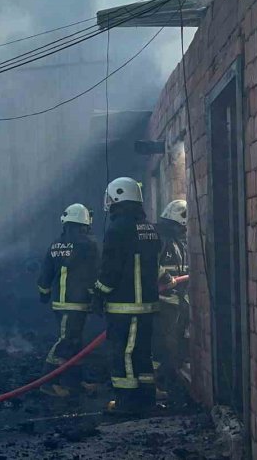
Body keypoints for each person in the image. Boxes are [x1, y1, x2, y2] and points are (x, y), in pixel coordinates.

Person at [93, 177, 162, 414]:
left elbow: (110, 269)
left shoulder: (118, 228)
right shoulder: (149, 228)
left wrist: (99, 293)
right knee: (142, 353)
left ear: (119, 196)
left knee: (124, 354)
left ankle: (127, 402)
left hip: (125, 305)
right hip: (147, 305)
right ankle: (146, 398)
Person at [36, 203, 100, 397]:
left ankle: (74, 382)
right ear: (85, 224)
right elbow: (94, 273)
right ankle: (48, 382)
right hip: (77, 302)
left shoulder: (55, 244)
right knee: (66, 341)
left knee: (75, 342)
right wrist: (97, 296)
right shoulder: (88, 244)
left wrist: (44, 293)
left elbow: (45, 274)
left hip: (60, 302)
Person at [155, 199, 190, 387]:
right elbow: (150, 262)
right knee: (164, 343)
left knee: (176, 340)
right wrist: (166, 278)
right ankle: (160, 380)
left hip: (177, 299)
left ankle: (169, 377)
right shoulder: (161, 238)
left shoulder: (178, 240)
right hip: (163, 300)